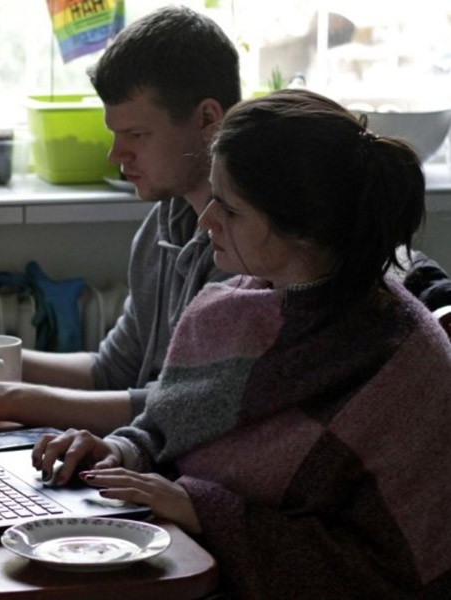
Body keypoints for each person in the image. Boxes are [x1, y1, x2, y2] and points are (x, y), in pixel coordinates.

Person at [32, 89, 451, 597]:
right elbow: (166, 432)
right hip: (185, 567)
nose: (206, 220)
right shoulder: (228, 308)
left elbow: (386, 574)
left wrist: (203, 510)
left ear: (303, 230)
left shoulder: (402, 366)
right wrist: (117, 453)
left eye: (229, 210)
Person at [0, 6, 239, 435]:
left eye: (137, 134)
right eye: (115, 133)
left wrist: (6, 397)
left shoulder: (247, 247)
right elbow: (110, 371)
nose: (116, 154)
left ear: (207, 120)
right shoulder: (161, 228)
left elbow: (185, 407)